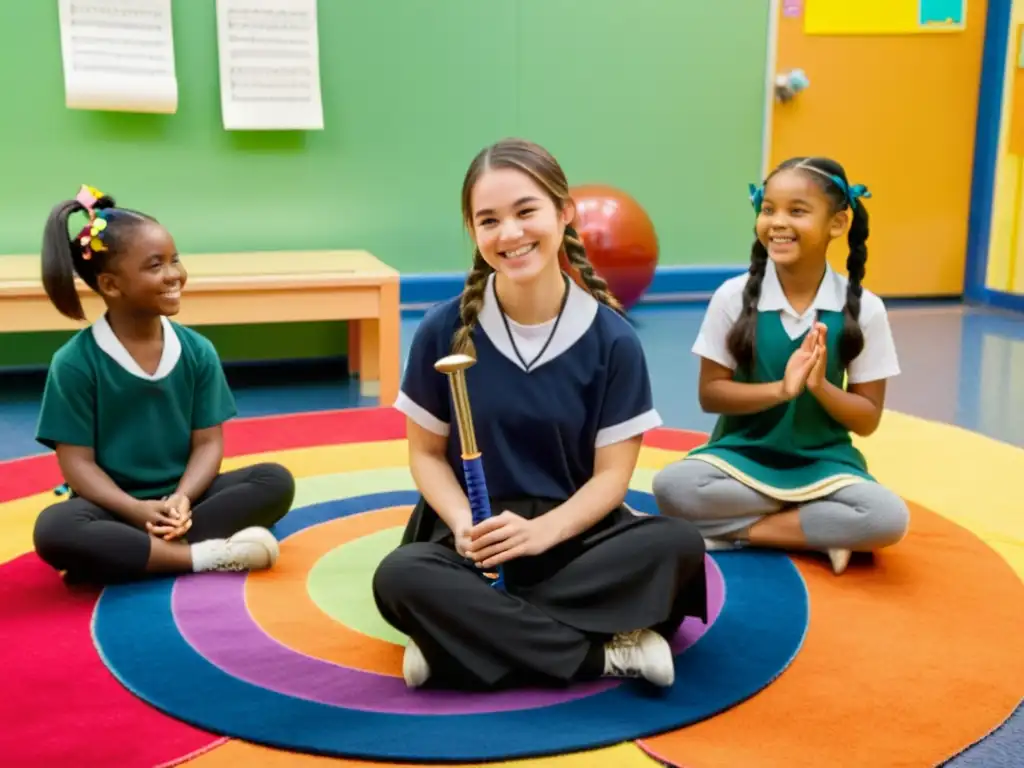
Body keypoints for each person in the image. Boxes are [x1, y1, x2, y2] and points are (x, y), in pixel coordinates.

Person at [371, 138, 708, 692]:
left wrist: (540, 534)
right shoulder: (441, 328)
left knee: (676, 546)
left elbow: (611, 479)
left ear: (564, 211)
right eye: (488, 220)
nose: (510, 234)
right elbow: (426, 455)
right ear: (474, 232)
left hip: (575, 538)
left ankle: (463, 637)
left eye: (526, 211)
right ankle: (603, 656)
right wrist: (462, 524)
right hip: (472, 546)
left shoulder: (613, 341)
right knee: (402, 576)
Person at [652, 157, 910, 576]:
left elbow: (866, 420)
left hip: (824, 466)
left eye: (797, 210)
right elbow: (711, 394)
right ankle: (820, 530)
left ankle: (737, 533)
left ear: (838, 224)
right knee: (672, 487)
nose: (777, 222)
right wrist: (781, 391)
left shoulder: (865, 310)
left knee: (886, 518)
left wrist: (820, 387)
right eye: (768, 209)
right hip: (740, 461)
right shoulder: (732, 298)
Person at [31, 184, 295, 586]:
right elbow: (77, 464)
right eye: (155, 266)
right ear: (111, 285)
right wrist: (134, 510)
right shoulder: (74, 363)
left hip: (188, 501)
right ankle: (200, 556)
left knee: (275, 481)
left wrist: (183, 498)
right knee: (54, 528)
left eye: (175, 260)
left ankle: (124, 556)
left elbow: (208, 443)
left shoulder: (197, 350)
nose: (174, 275)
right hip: (113, 507)